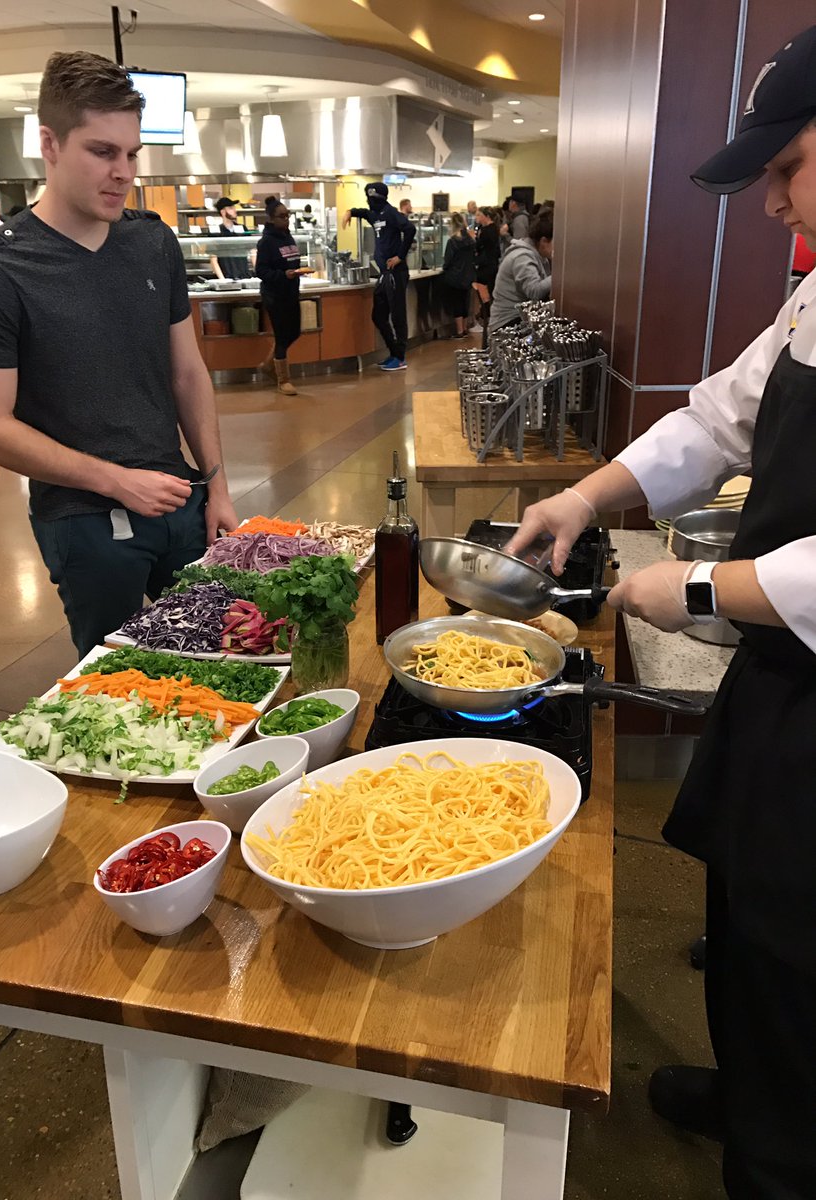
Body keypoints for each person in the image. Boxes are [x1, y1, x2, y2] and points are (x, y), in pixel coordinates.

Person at [507, 25, 816, 1197]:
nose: (773, 203)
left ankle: (780, 1161)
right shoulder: (815, 293)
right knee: (743, 917)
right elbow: (714, 423)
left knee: (801, 951)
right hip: (781, 680)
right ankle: (745, 1095)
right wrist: (585, 496)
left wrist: (681, 589)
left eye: (785, 169)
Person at [0, 50, 237, 658]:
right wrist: (115, 481)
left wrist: (217, 485)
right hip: (82, 519)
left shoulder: (152, 240)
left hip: (181, 499)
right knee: (114, 683)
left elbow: (187, 372)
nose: (123, 171)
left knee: (218, 654)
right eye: (102, 152)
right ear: (49, 144)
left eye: (132, 154)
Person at [342, 181, 416, 372]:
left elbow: (410, 229)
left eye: (374, 198)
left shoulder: (391, 213)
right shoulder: (373, 214)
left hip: (396, 273)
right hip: (384, 273)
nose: (371, 201)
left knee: (398, 315)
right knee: (378, 316)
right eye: (369, 198)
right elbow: (364, 212)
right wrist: (350, 211)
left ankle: (400, 357)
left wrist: (400, 256)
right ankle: (393, 352)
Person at [255, 199, 313, 397]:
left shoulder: (288, 237)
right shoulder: (266, 242)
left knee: (294, 332)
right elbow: (261, 270)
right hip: (274, 295)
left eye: (288, 215)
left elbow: (291, 261)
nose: (286, 219)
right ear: (271, 219)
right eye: (282, 216)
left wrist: (296, 273)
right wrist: (283, 275)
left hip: (291, 292)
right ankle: (283, 380)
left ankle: (267, 365)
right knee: (281, 336)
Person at [488, 208, 553, 334]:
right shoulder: (522, 256)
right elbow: (534, 291)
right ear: (544, 241)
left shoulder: (538, 255)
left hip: (518, 320)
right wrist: (560, 275)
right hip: (507, 324)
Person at [440, 211, 476, 338]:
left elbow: (448, 260)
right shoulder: (471, 241)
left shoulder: (452, 241)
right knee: (464, 301)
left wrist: (444, 268)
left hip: (455, 276)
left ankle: (459, 331)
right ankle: (465, 328)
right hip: (468, 276)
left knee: (457, 303)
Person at [472, 206, 501, 348]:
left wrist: (474, 238)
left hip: (484, 269)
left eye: (479, 215)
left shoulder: (485, 232)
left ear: (486, 216)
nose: (476, 218)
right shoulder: (495, 229)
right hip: (492, 267)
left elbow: (478, 247)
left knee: (485, 297)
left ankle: (486, 317)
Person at [210, 196, 251, 281]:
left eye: (234, 208)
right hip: (227, 276)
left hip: (244, 276)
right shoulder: (216, 232)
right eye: (231, 208)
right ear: (223, 212)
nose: (235, 210)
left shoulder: (243, 228)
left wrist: (257, 275)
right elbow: (213, 259)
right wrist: (223, 280)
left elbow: (253, 252)